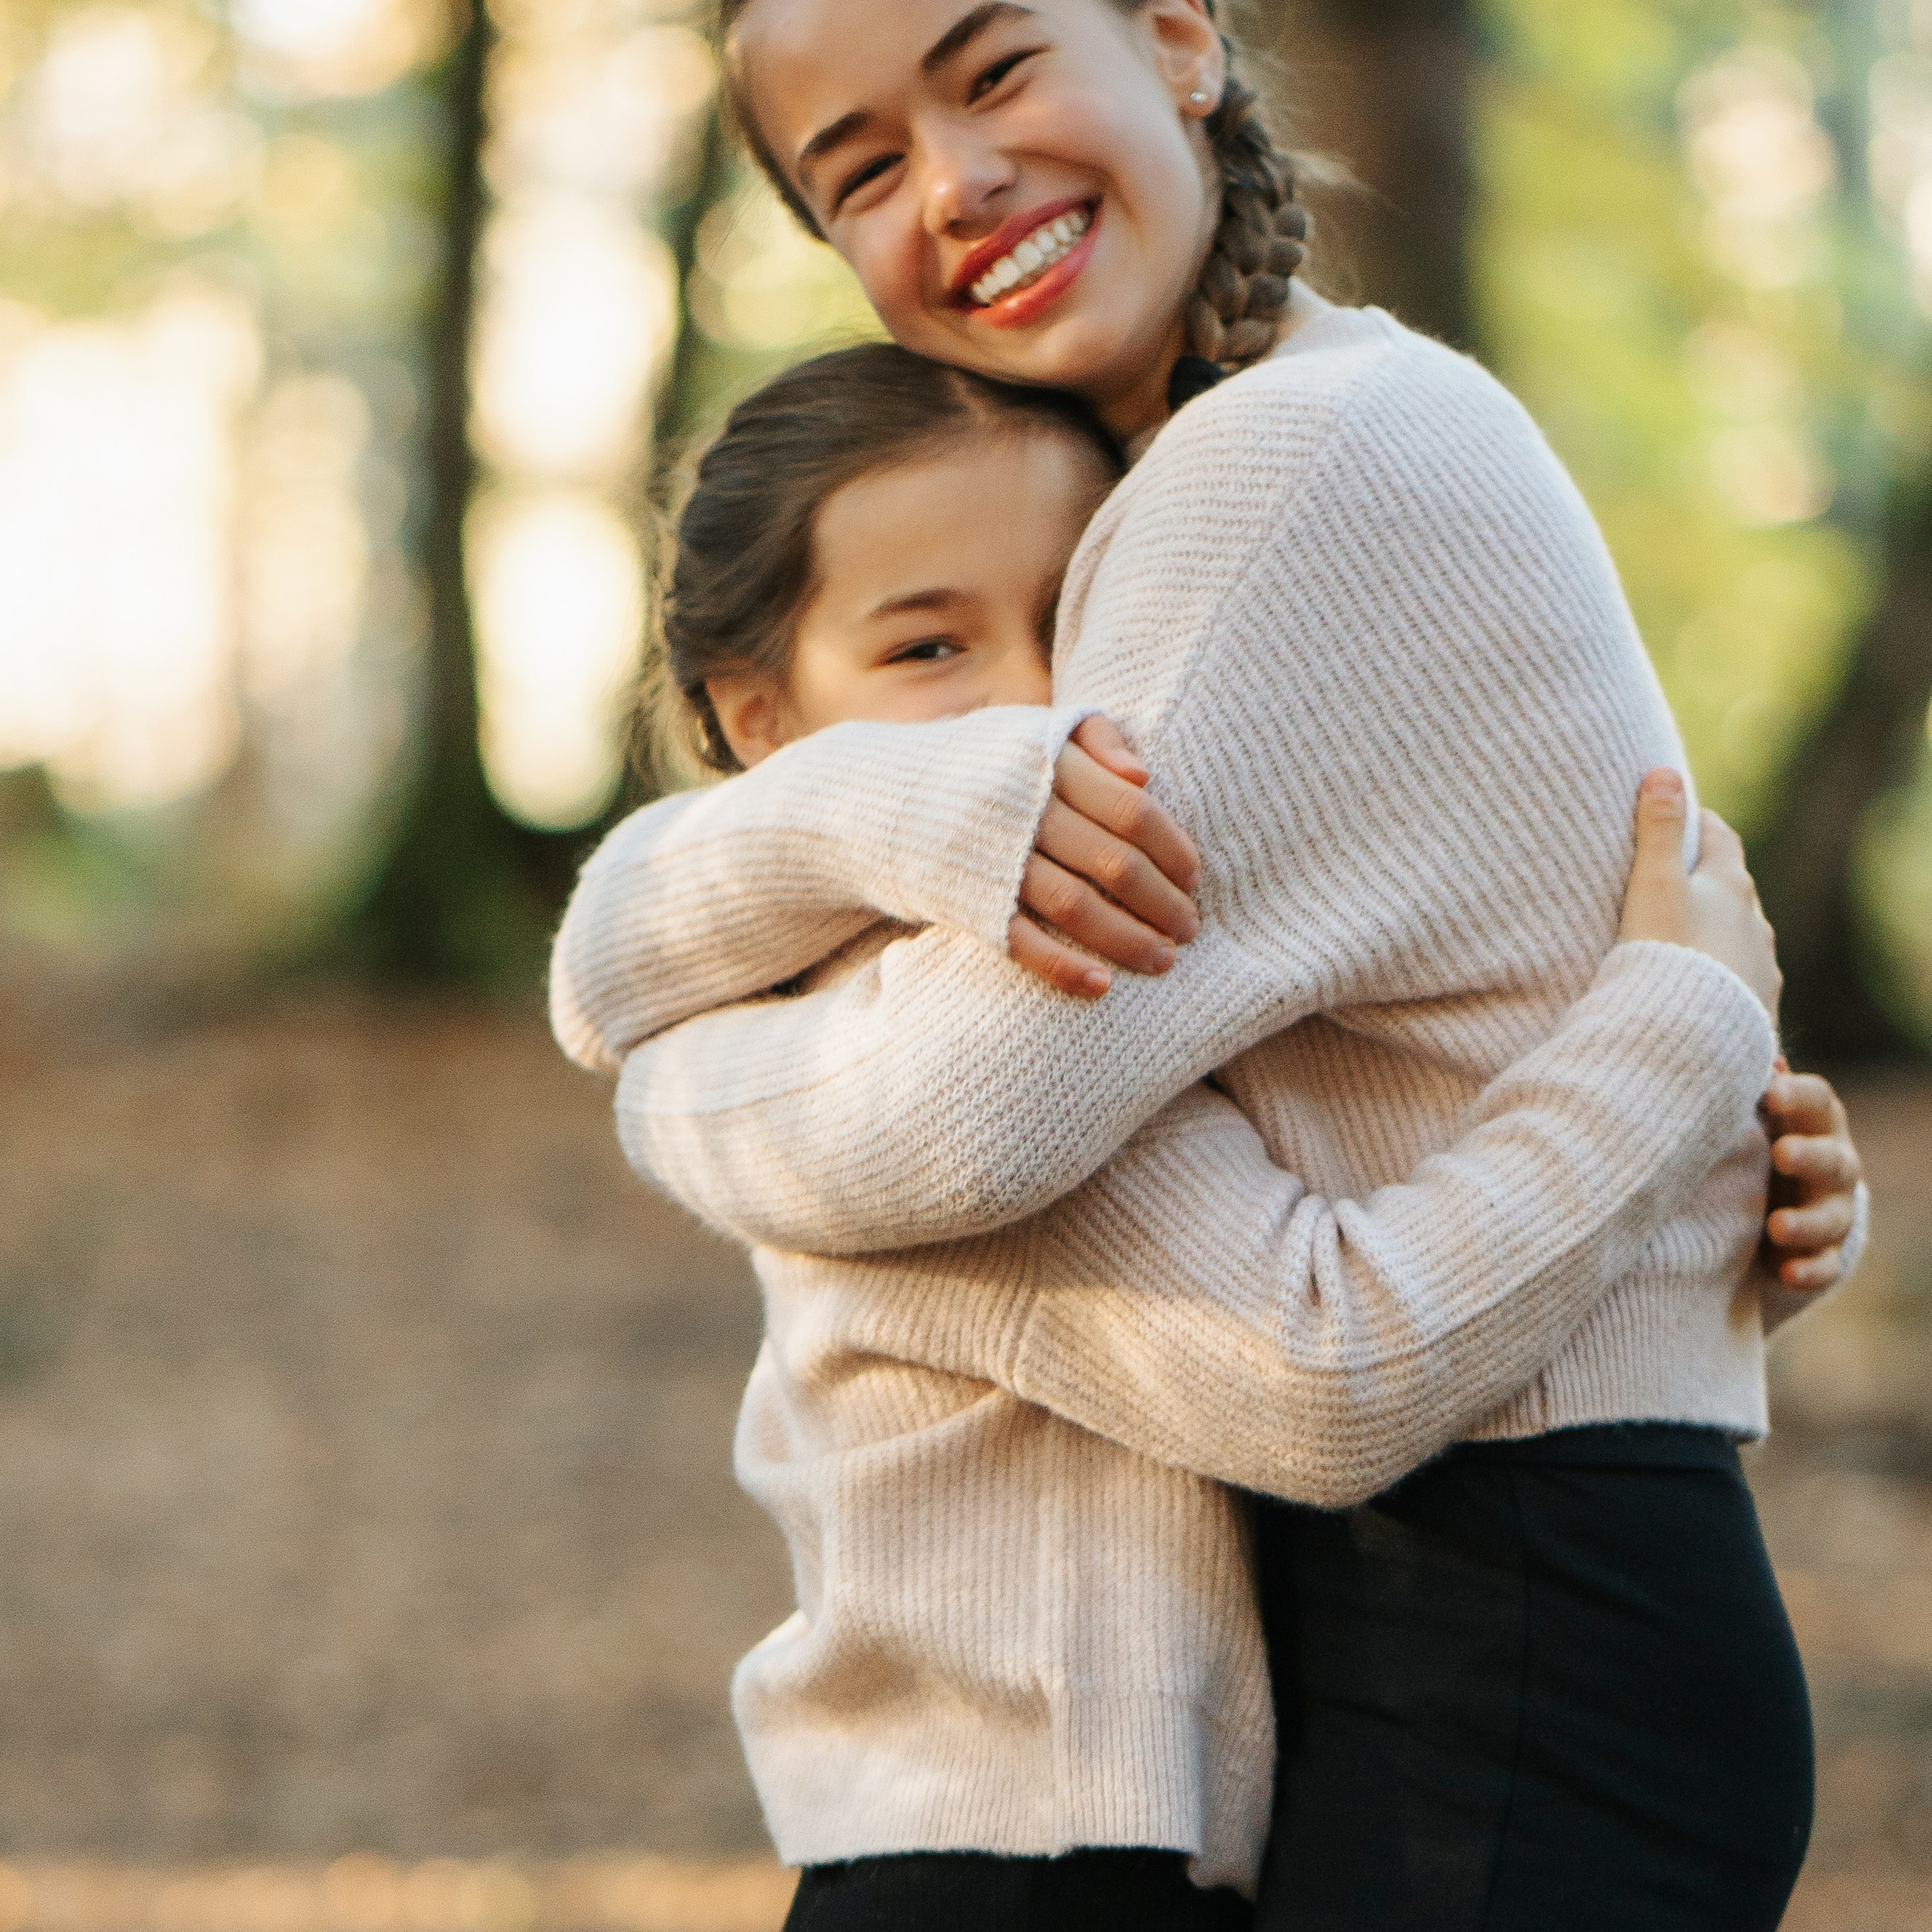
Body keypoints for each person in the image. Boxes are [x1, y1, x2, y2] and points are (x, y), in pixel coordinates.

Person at [553, 337, 1859, 1930]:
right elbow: (1330, 1361)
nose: (1035, 705)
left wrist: (1725, 1216)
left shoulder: (1058, 1017)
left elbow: (1362, 1185)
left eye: (1077, 623)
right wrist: (1668, 1036)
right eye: (926, 649)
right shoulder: (930, 1047)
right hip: (1010, 1863)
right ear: (757, 716)